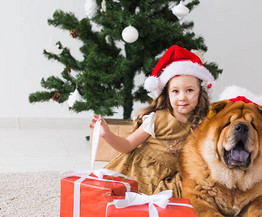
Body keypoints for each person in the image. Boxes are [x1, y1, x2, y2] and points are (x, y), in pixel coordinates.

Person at [89, 45, 215, 197]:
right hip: (138, 171)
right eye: (175, 91)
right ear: (167, 94)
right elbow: (127, 145)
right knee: (116, 199)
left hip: (167, 179)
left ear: (200, 92)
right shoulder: (156, 119)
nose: (182, 97)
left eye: (189, 90)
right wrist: (107, 134)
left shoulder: (201, 124)